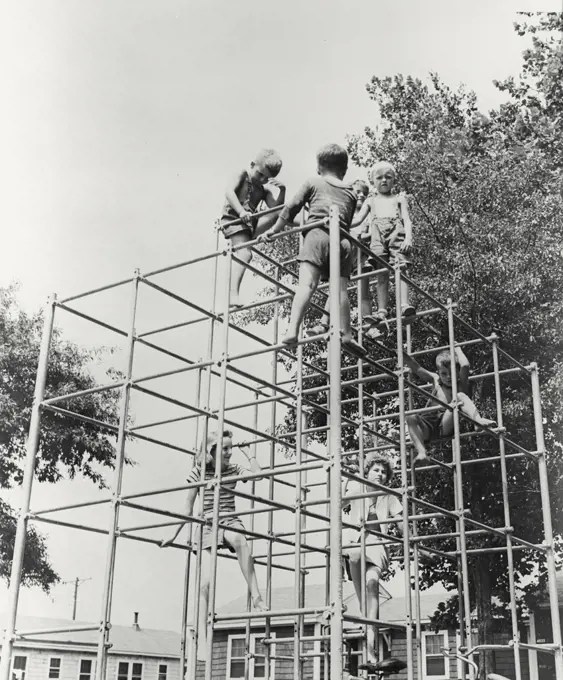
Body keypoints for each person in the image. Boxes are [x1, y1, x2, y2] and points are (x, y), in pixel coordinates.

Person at [160, 430, 267, 661]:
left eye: (230, 448)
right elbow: (187, 508)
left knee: (240, 539)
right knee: (204, 584)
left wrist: (248, 453)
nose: (229, 452)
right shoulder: (199, 472)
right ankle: (202, 641)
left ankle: (257, 596)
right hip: (207, 522)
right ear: (212, 451)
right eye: (225, 449)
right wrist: (174, 534)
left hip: (228, 518)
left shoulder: (234, 469)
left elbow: (259, 476)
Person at [257, 143, 365, 355]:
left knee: (306, 284)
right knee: (340, 289)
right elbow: (349, 222)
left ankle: (292, 330)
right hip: (343, 241)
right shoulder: (352, 194)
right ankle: (347, 334)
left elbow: (291, 208)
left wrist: (275, 230)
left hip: (317, 235)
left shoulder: (313, 182)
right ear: (344, 170)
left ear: (319, 167)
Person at [342, 454, 403, 672]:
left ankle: (370, 648)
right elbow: (341, 503)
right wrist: (347, 479)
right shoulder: (359, 488)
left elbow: (400, 520)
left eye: (383, 472)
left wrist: (411, 543)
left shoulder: (389, 496)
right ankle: (363, 612)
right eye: (376, 470)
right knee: (355, 555)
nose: (380, 474)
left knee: (372, 583)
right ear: (367, 472)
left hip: (377, 544)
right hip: (356, 542)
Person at [352, 161, 415, 337]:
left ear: (394, 179)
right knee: (381, 273)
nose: (384, 180)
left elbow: (407, 220)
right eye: (379, 178)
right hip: (377, 236)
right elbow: (357, 220)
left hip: (397, 234)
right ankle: (382, 310)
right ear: (373, 181)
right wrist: (339, 222)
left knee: (401, 269)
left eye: (388, 177)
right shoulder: (371, 200)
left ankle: (404, 304)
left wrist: (409, 237)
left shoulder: (399, 199)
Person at [404, 346, 496, 463]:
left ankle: (477, 421)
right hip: (427, 424)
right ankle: (422, 452)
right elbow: (417, 368)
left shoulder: (460, 384)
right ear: (438, 372)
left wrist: (457, 348)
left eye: (452, 373)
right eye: (444, 373)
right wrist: (403, 357)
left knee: (460, 396)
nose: (448, 377)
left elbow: (465, 365)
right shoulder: (436, 380)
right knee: (410, 417)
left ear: (457, 372)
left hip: (445, 423)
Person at [220, 149, 286, 309]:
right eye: (260, 174)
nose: (262, 179)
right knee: (245, 253)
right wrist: (241, 211)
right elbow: (229, 192)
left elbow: (277, 211)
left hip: (249, 224)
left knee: (278, 216)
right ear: (252, 165)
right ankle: (232, 294)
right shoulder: (242, 174)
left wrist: (283, 191)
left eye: (267, 178)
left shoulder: (264, 190)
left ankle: (247, 239)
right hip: (234, 219)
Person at [307, 179, 372, 338]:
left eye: (365, 192)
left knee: (364, 289)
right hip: (346, 252)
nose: (361, 195)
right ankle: (323, 324)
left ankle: (369, 325)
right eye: (358, 191)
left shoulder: (368, 214)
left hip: (361, 254)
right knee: (336, 289)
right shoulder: (344, 209)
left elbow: (372, 233)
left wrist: (363, 237)